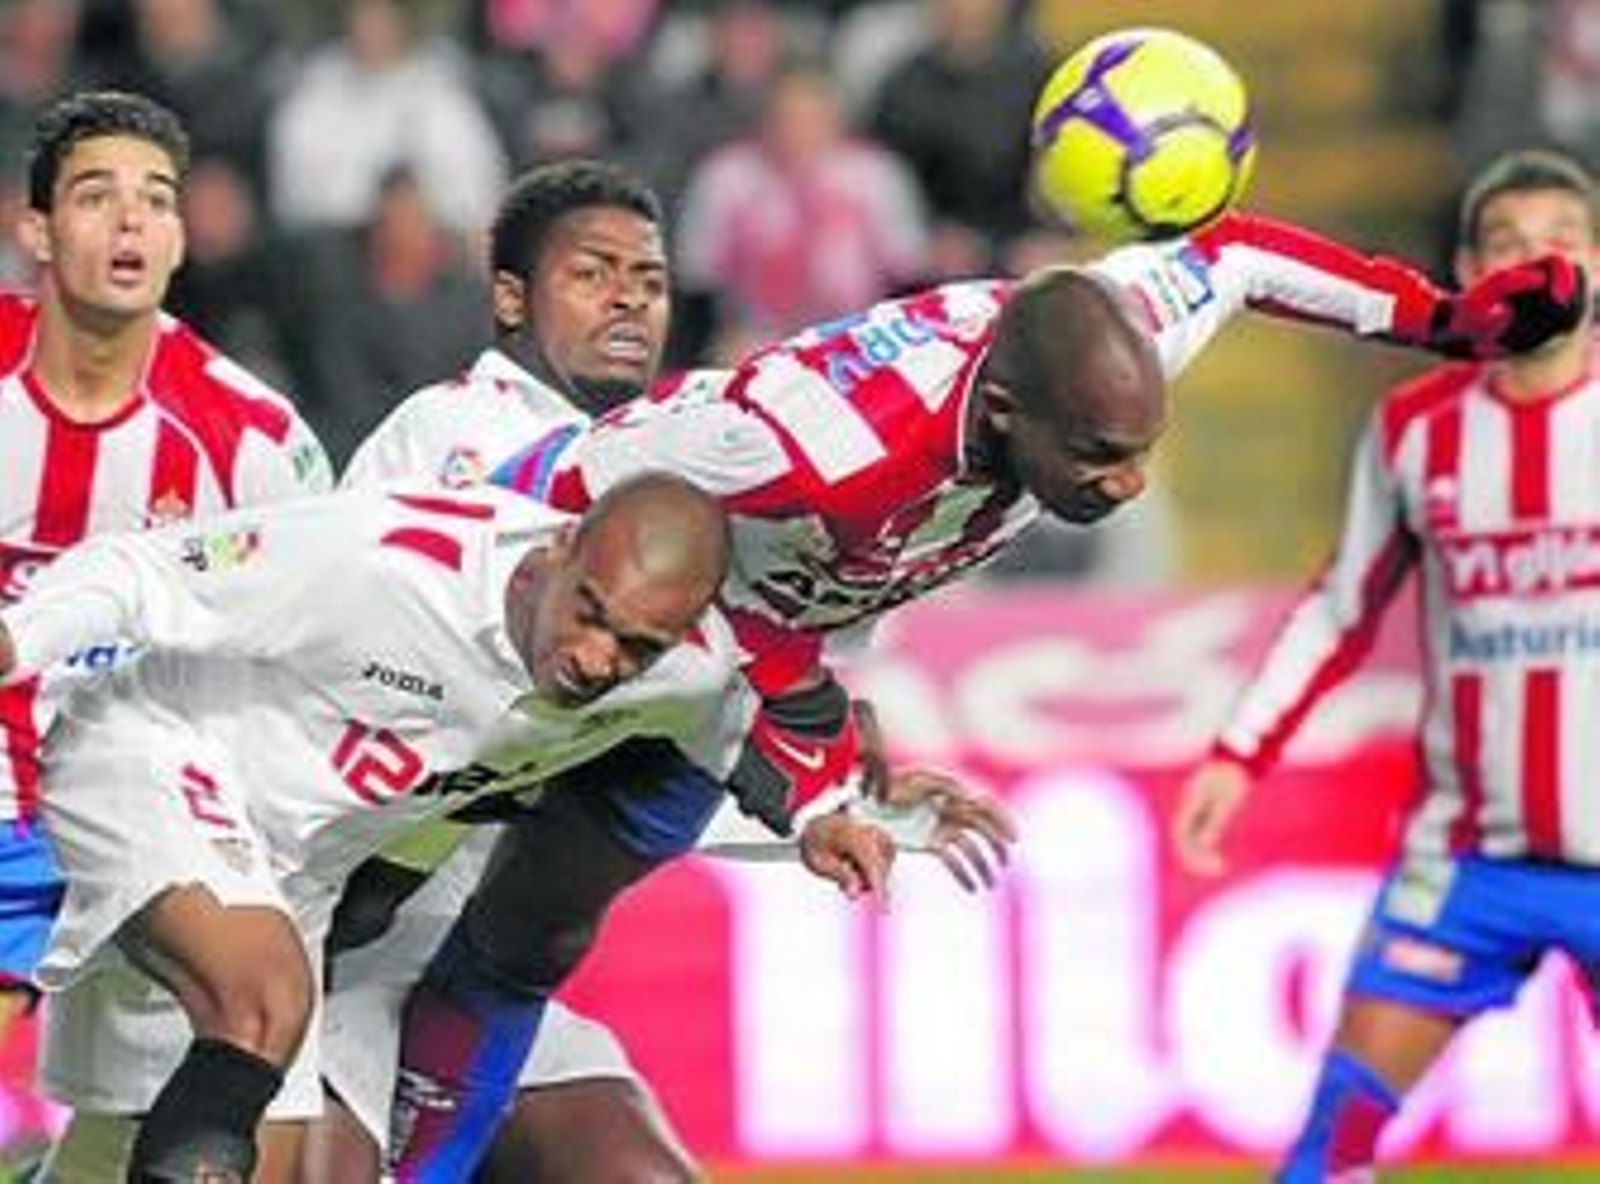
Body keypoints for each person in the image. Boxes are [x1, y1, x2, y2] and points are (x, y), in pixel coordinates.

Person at [386, 206, 1591, 1178]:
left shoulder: (1100, 342)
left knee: (530, 934)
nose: (1125, 487)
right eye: (1098, 459)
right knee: (388, 860)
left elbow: (1241, 258)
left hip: (718, 669)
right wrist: (814, 783)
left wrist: (1449, 320)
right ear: (1007, 413)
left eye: (1137, 452)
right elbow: (665, 561)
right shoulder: (816, 443)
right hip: (564, 593)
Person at [310, 157, 1013, 1184]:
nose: (630, 296)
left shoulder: (700, 483)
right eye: (593, 272)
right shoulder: (452, 441)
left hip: (479, 950)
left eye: (648, 276)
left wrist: (845, 794)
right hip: (347, 937)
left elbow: (670, 736)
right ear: (510, 295)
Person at [0, 471, 880, 1183]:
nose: (595, 660)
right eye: (588, 612)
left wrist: (818, 814)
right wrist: (17, 635)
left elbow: (726, 752)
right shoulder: (388, 560)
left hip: (290, 874)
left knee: (176, 1153)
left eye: (635, 647)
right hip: (151, 756)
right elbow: (140, 571)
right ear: (559, 545)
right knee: (262, 1000)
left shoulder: (681, 679)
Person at [1171, 148, 1600, 1181]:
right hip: (1465, 858)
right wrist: (1237, 751)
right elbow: (1339, 606)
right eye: (1505, 244)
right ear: (1467, 272)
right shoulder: (1415, 430)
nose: (1534, 262)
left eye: (1560, 242)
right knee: (1334, 1144)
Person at [0, 90, 332, 1048]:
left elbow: (322, 614)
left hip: (134, 787)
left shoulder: (252, 436)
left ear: (182, 239)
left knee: (250, 1013)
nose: (131, 219)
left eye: (156, 199)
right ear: (38, 230)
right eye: (96, 196)